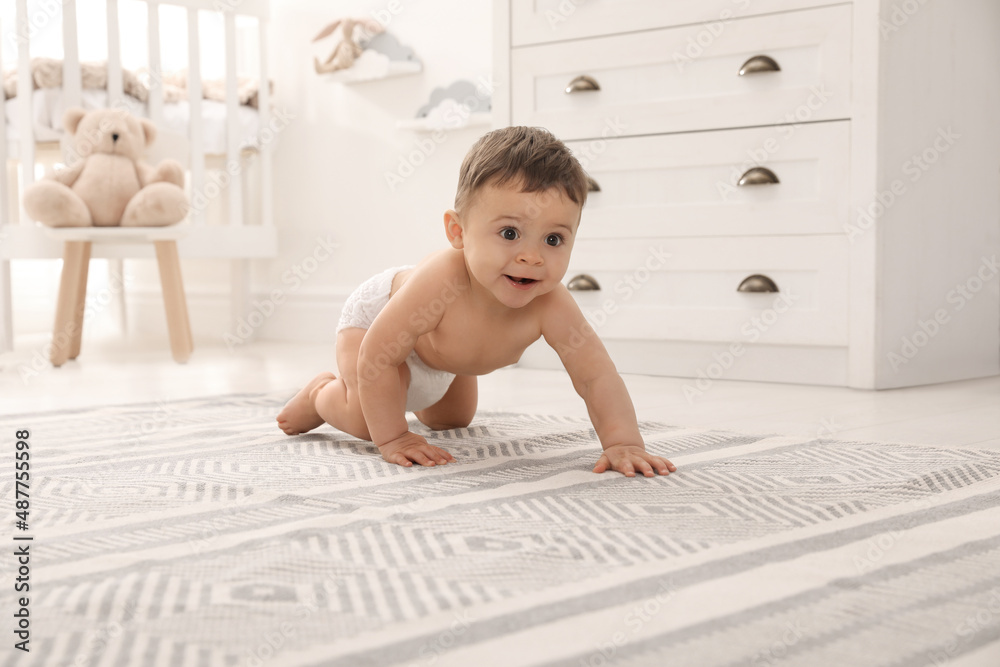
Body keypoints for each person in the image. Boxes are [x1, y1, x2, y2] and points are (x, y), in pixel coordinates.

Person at [277, 126, 676, 478]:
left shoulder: (551, 303)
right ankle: (321, 395)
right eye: (509, 233)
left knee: (452, 420)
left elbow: (596, 377)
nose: (532, 257)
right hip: (376, 329)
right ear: (458, 231)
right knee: (371, 416)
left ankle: (412, 394)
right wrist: (395, 438)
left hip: (443, 352)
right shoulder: (443, 280)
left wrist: (624, 442)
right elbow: (377, 356)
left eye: (553, 239)